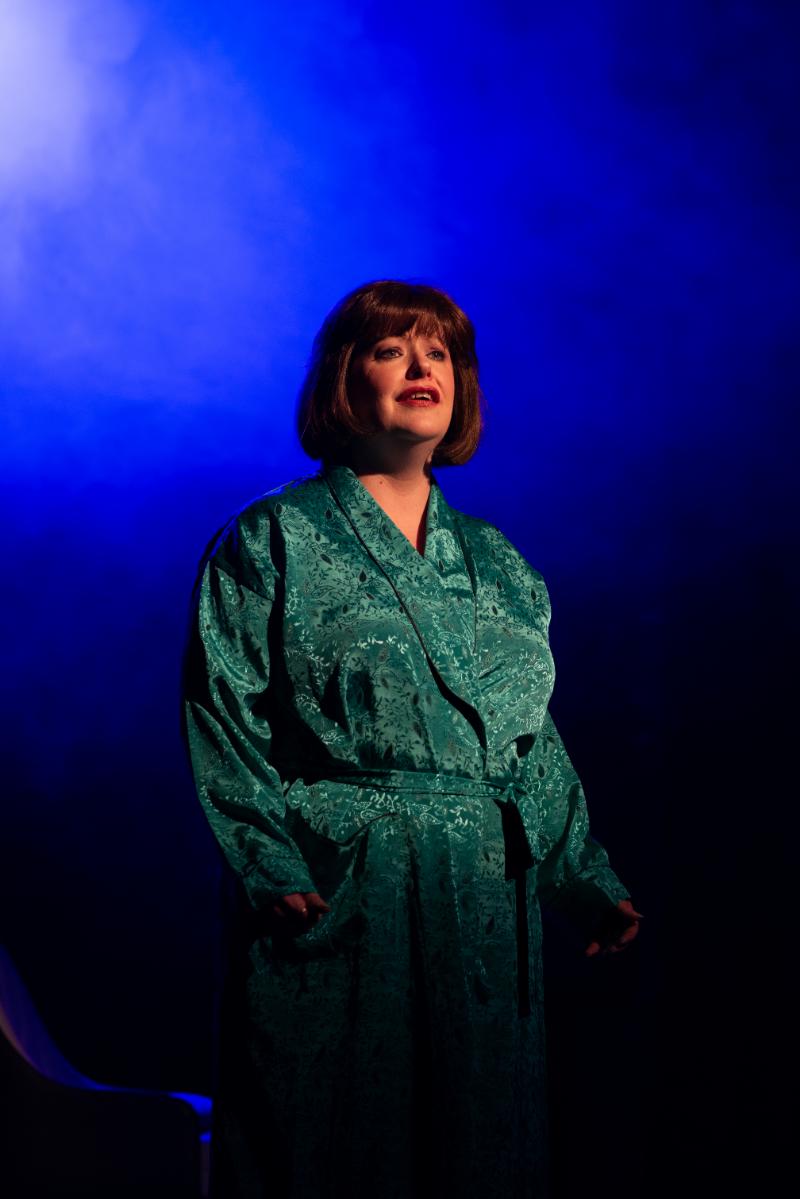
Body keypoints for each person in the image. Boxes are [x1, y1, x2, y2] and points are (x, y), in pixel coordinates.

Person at [182, 280, 641, 1199]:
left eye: (439, 352)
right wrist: (269, 860)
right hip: (341, 880)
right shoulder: (273, 537)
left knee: (478, 1147)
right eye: (391, 348)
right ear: (343, 377)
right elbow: (221, 704)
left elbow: (527, 739)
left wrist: (582, 877)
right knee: (328, 1143)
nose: (420, 365)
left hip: (482, 895)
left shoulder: (501, 562)